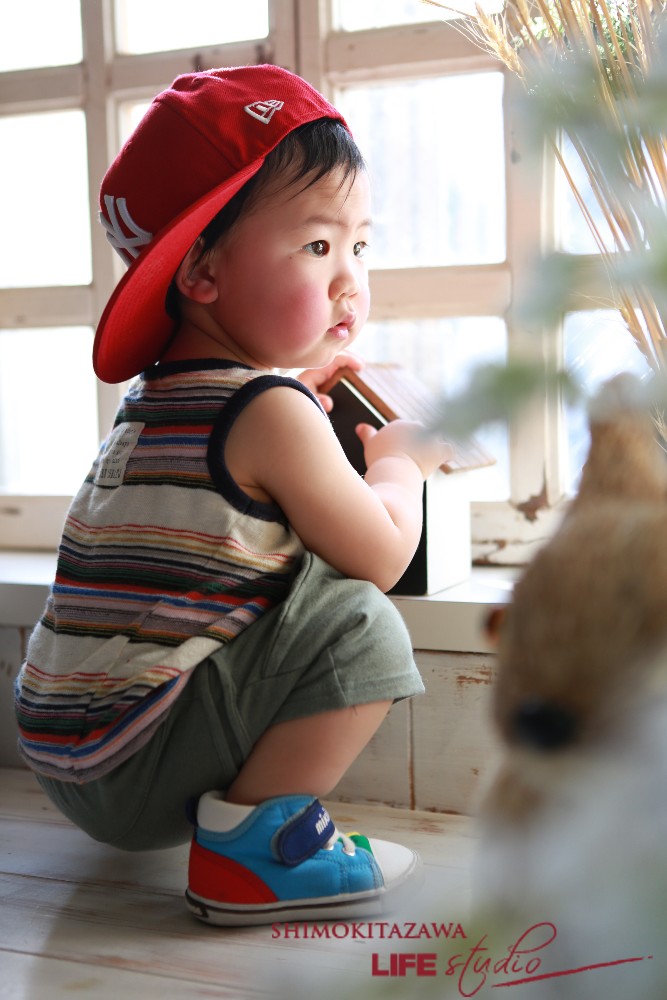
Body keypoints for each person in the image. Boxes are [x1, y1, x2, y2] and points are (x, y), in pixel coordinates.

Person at [14, 64, 451, 926]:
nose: (349, 281)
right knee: (356, 617)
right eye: (317, 247)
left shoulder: (155, 400)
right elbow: (382, 554)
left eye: (359, 247)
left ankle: (243, 837)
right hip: (133, 764)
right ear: (203, 271)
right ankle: (256, 855)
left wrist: (294, 401)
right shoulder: (267, 410)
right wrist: (400, 465)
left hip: (67, 756)